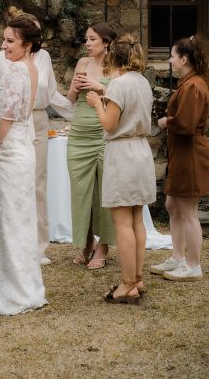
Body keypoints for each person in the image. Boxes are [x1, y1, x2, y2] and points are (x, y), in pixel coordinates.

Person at [0, 11, 74, 265]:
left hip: (37, 120)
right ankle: (13, 243)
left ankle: (39, 244)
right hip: (12, 122)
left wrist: (75, 112)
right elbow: (4, 96)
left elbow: (51, 92)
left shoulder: (44, 57)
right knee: (12, 184)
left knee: (38, 183)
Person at [0, 15, 47, 316]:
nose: (4, 45)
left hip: (9, 151)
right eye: (4, 39)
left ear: (27, 44)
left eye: (10, 41)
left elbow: (7, 117)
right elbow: (18, 107)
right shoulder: (29, 68)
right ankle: (26, 285)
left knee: (7, 220)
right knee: (18, 218)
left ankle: (12, 289)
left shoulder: (17, 71)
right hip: (23, 147)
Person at [86, 34, 156, 304]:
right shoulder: (142, 83)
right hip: (140, 150)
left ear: (114, 57)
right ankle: (137, 278)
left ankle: (127, 284)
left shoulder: (117, 83)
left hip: (122, 154)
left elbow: (110, 123)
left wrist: (96, 104)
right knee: (137, 217)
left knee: (122, 222)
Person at [151, 36, 209, 282]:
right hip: (182, 153)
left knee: (188, 212)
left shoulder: (194, 86)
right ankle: (177, 257)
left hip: (190, 153)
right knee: (172, 206)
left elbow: (186, 124)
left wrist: (166, 121)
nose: (170, 61)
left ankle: (193, 265)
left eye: (173, 56)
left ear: (184, 59)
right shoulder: (189, 83)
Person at [67, 22, 117, 269]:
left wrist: (101, 87)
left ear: (106, 42)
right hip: (78, 134)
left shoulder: (116, 65)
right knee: (80, 190)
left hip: (102, 134)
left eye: (92, 40)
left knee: (103, 191)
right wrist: (74, 89)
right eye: (86, 39)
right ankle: (85, 242)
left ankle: (104, 245)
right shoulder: (82, 64)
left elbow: (122, 98)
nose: (87, 44)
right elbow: (70, 99)